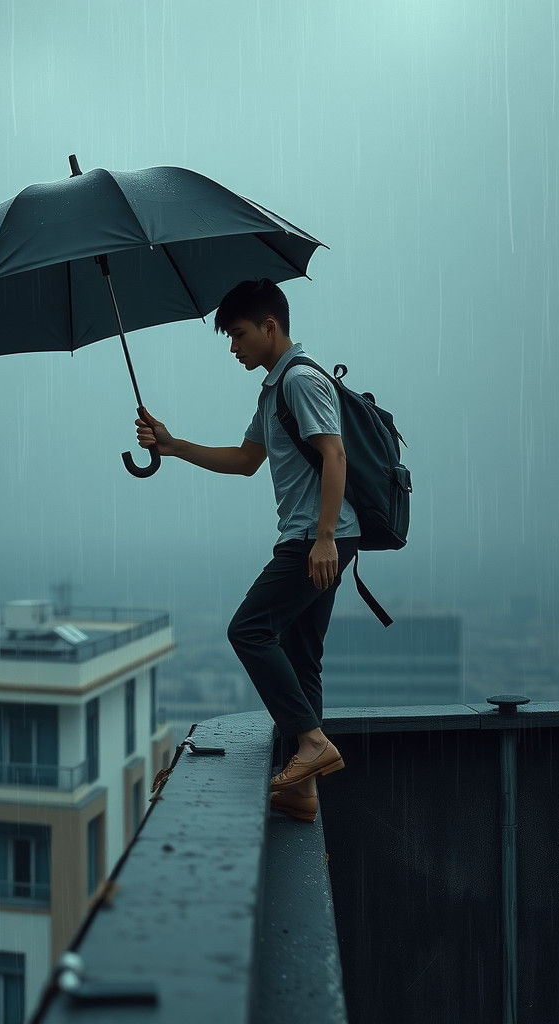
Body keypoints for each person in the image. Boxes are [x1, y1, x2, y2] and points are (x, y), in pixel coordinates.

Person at [135, 278, 360, 823]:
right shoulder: (274, 390)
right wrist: (173, 445)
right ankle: (303, 788)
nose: (233, 347)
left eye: (238, 334)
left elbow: (335, 456)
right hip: (317, 536)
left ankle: (310, 744)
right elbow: (245, 460)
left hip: (316, 537)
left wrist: (325, 536)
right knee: (302, 654)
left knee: (249, 630)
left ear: (269, 326)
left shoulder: (301, 380)